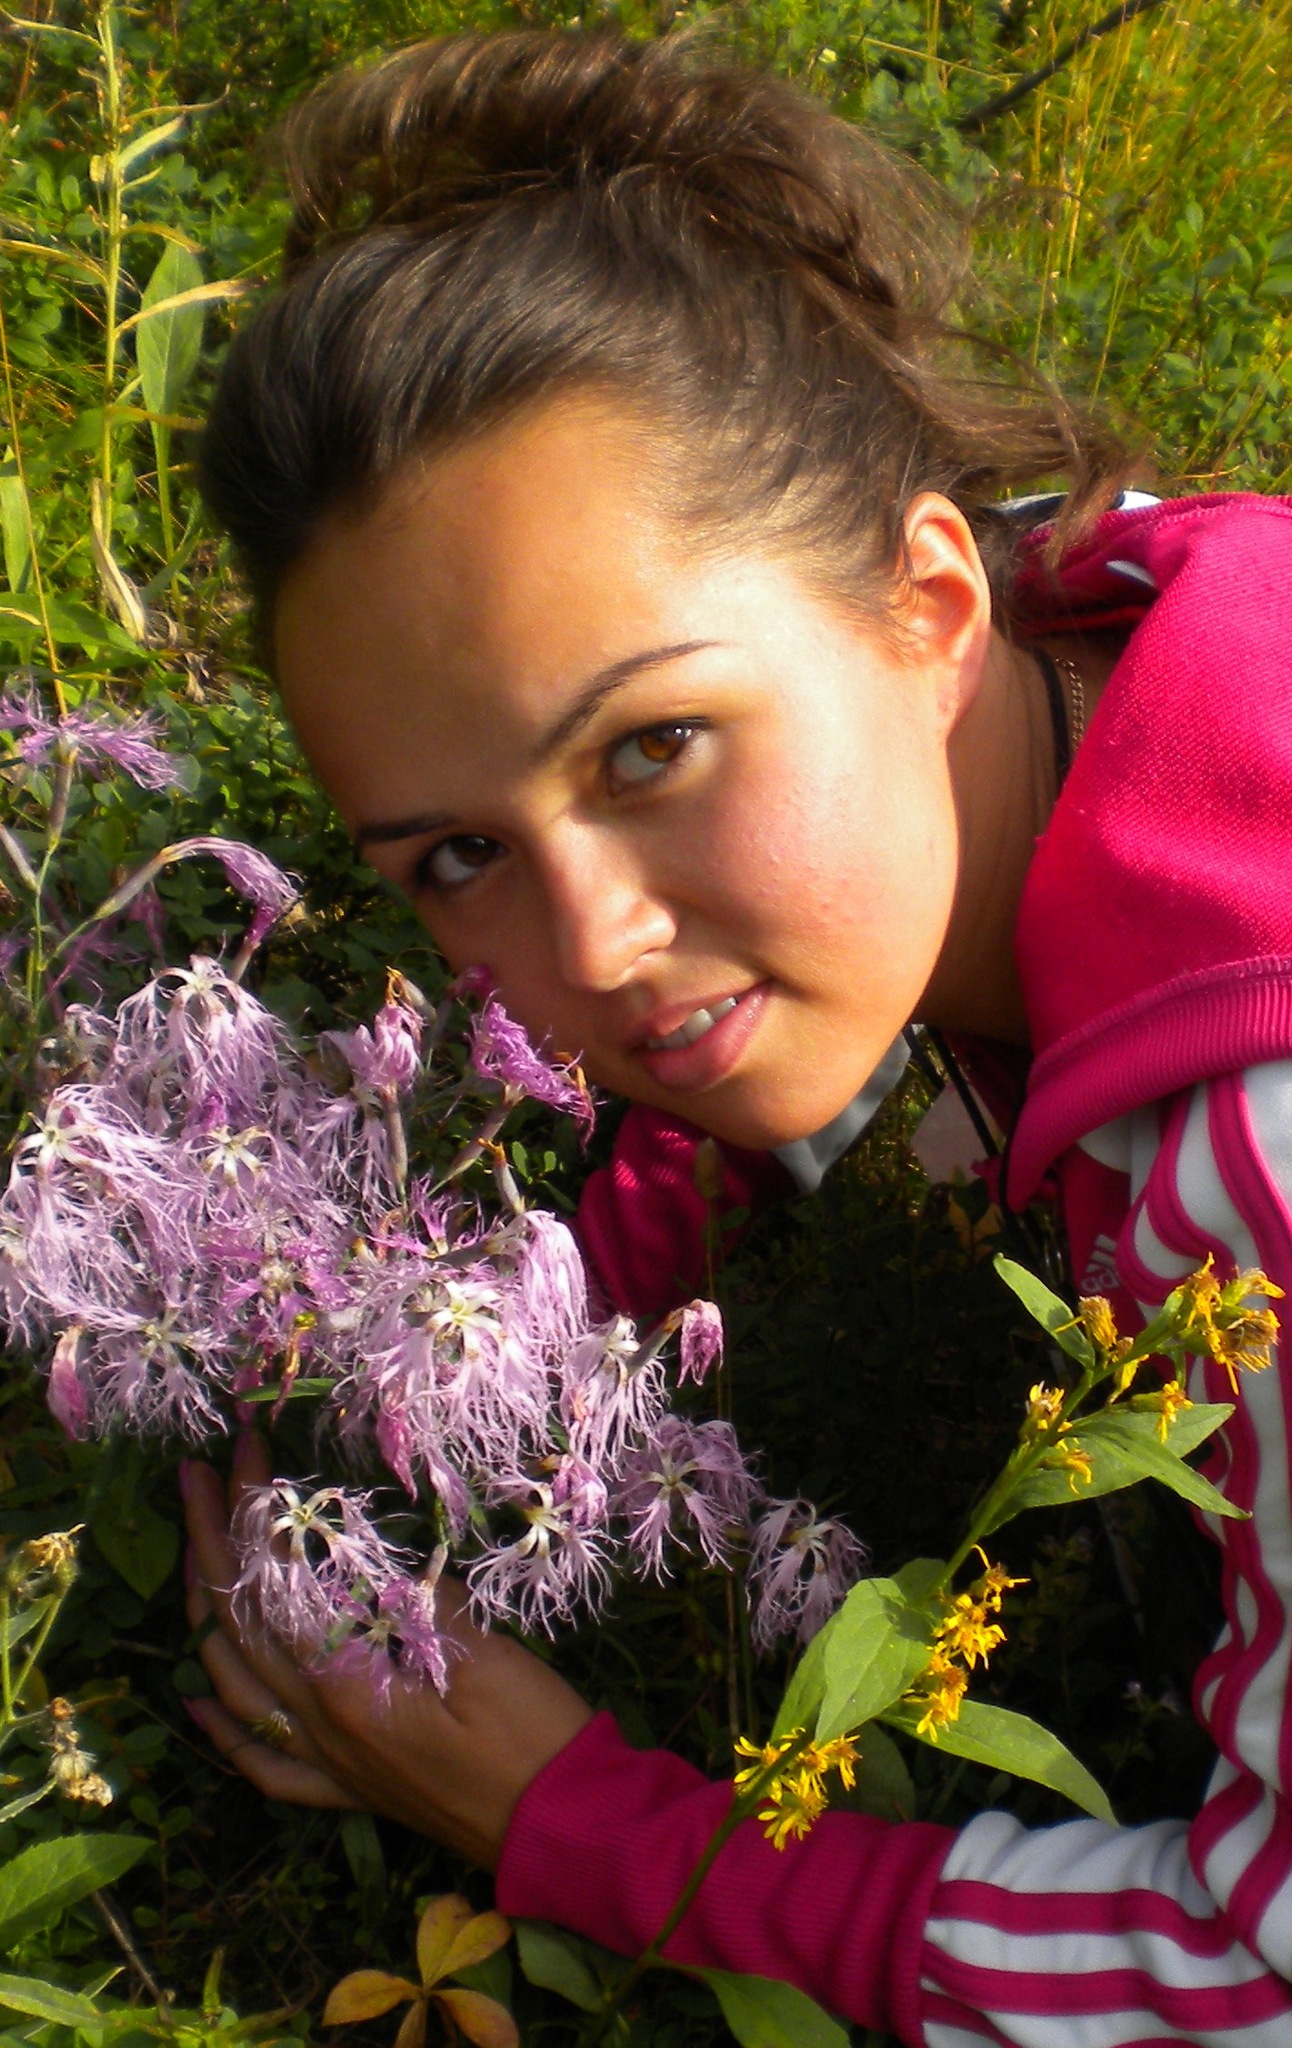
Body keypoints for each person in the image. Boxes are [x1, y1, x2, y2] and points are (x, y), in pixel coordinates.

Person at [181, 29, 1292, 2043]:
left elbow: (1257, 1971)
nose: (592, 949)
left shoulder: (1267, 1167)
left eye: (652, 747)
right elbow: (772, 950)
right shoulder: (1134, 606)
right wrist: (516, 1351)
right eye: (455, 855)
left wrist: (566, 1815)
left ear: (924, 603)